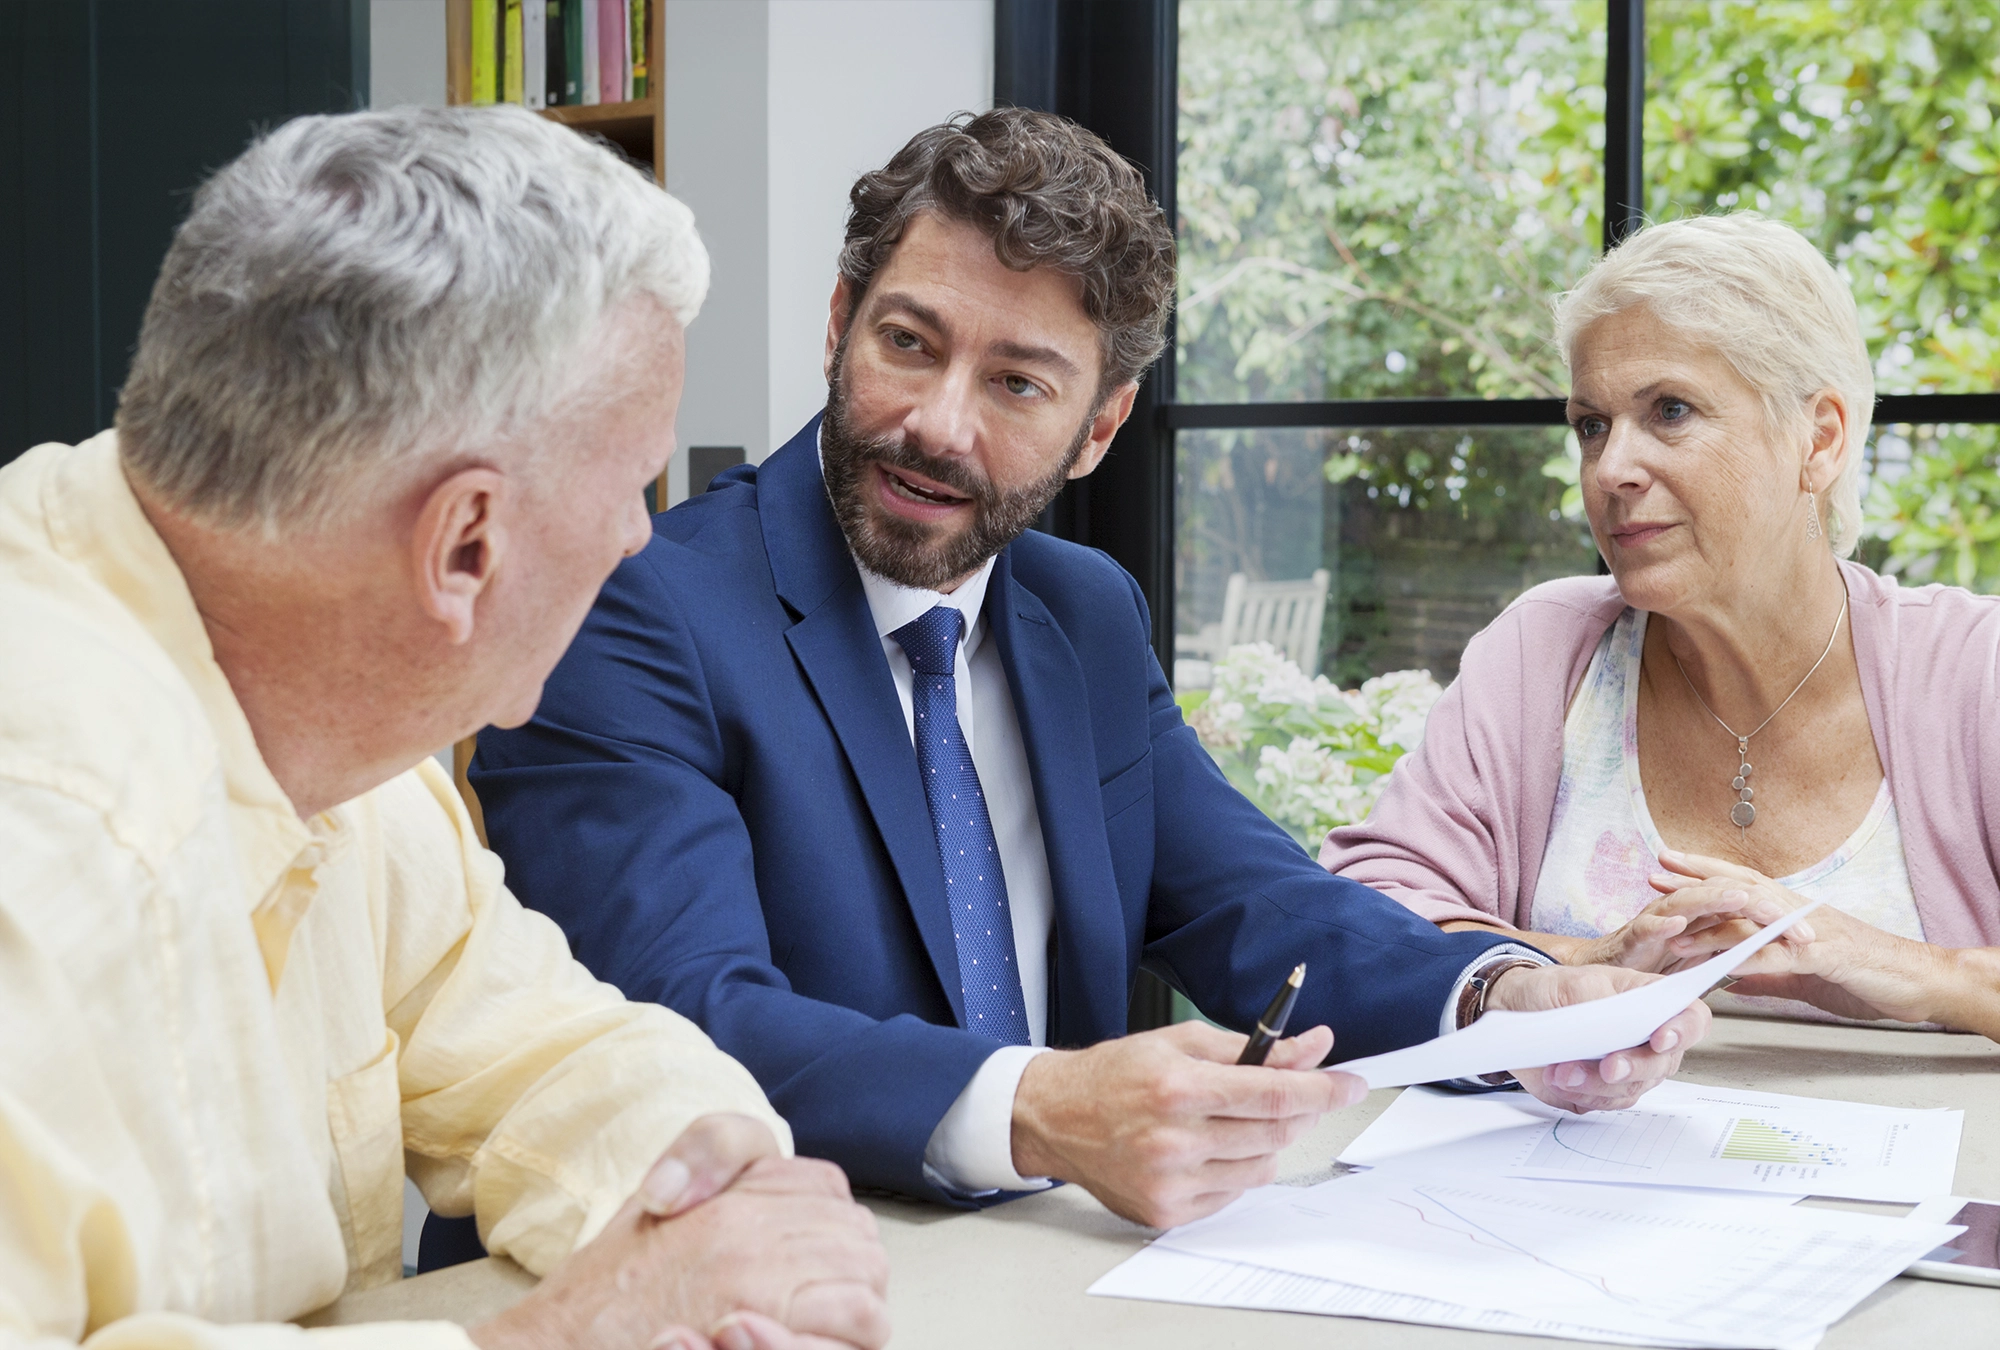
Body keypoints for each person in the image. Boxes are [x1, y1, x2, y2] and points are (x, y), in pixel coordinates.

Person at [461, 108, 1709, 1238]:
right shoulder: (637, 608)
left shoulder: (1079, 612)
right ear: (840, 324)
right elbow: (680, 1022)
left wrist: (1505, 1001)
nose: (940, 423)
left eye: (1016, 383)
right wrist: (1044, 1108)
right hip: (736, 1266)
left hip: (1038, 1281)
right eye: (908, 343)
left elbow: (1251, 902)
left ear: (1098, 426)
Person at [0, 106, 888, 1350]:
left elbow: (542, 1041)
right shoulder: (39, 837)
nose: (642, 536)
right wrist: (547, 1339)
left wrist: (711, 1186)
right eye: (631, 486)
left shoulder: (322, 701)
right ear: (465, 544)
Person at [1319, 212, 2000, 1039]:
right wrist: (1586, 960)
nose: (1611, 469)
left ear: (1820, 440)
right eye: (1591, 424)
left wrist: (1908, 968)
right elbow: (1362, 924)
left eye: (1670, 411)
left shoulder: (1975, 672)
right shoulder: (1544, 652)